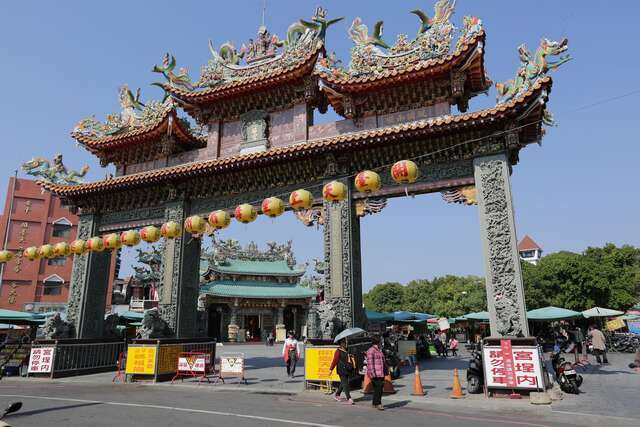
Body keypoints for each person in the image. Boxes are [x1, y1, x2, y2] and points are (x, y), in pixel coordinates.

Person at [329, 339, 355, 405]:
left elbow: (349, 359)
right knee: (345, 383)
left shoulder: (347, 350)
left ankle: (337, 394)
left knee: (343, 382)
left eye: (346, 342)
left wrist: (350, 356)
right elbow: (335, 361)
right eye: (344, 343)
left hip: (347, 369)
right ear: (341, 344)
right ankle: (349, 398)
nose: (346, 344)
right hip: (341, 369)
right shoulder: (338, 351)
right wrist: (331, 369)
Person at [365, 335, 386, 411]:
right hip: (375, 373)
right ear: (377, 341)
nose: (381, 342)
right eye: (380, 340)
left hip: (381, 372)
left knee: (377, 388)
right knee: (379, 388)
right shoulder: (371, 351)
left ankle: (374, 403)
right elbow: (370, 363)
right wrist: (373, 374)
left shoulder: (379, 350)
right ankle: (378, 403)